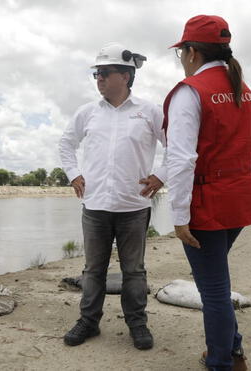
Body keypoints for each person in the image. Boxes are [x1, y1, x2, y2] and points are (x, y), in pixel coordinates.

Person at [163, 15, 251, 371]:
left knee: (214, 291)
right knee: (217, 281)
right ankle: (232, 352)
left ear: (191, 52)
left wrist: (178, 217)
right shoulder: (243, 90)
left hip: (207, 204)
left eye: (181, 53)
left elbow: (181, 158)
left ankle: (222, 362)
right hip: (240, 199)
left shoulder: (190, 91)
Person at [58, 42, 168, 350]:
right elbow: (66, 144)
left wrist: (161, 176)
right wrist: (74, 174)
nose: (99, 79)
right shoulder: (87, 113)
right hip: (95, 206)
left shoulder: (149, 112)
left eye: (105, 73)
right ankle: (88, 322)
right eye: (97, 73)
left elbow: (176, 146)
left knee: (134, 270)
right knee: (93, 269)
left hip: (133, 207)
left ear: (126, 75)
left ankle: (137, 323)